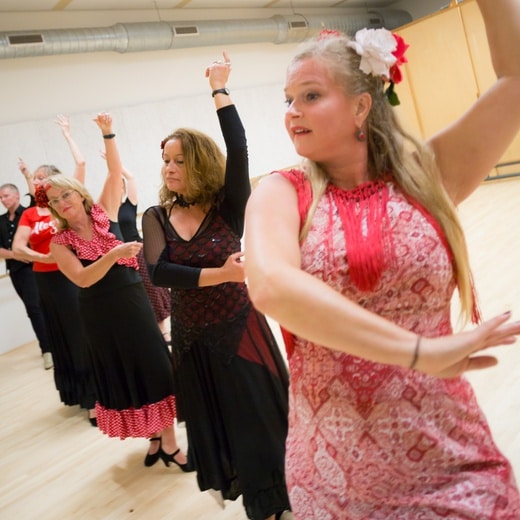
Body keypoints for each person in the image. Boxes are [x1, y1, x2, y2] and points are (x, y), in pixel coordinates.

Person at [243, 1, 520, 518]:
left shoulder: (427, 174)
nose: (292, 111)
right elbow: (271, 286)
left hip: (449, 448)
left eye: (310, 95)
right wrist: (418, 351)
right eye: (288, 99)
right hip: (336, 470)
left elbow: (516, 80)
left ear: (361, 107)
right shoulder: (282, 192)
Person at [142, 54, 291, 520]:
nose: (169, 168)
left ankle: (282, 494)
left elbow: (239, 147)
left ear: (200, 164)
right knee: (221, 423)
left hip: (240, 328)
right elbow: (160, 272)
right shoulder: (156, 217)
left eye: (179, 161)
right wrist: (220, 274)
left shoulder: (229, 205)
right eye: (165, 160)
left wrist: (219, 90)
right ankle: (258, 504)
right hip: (191, 339)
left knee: (260, 417)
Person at [46, 112, 189, 469]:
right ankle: (155, 438)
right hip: (99, 313)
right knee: (127, 372)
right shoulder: (59, 243)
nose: (63, 203)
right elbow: (82, 279)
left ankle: (168, 442)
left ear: (79, 196)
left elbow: (114, 172)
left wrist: (109, 134)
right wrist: (112, 254)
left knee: (154, 365)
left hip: (132, 303)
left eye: (67, 195)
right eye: (55, 200)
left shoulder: (104, 214)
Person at [13, 117, 97, 425]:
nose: (34, 182)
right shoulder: (31, 213)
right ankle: (77, 392)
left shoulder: (65, 207)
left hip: (71, 278)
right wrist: (48, 258)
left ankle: (94, 397)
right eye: (32, 179)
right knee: (63, 336)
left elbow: (82, 164)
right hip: (46, 281)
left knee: (81, 334)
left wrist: (67, 135)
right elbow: (19, 247)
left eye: (38, 177)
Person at [115, 158, 172, 344]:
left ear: (122, 189)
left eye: (119, 185)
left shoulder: (128, 206)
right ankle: (150, 333)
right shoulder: (103, 212)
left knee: (153, 289)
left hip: (139, 251)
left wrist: (114, 164)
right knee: (136, 294)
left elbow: (130, 178)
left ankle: (164, 331)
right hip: (121, 257)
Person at [0, 179, 52, 369]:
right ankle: (46, 347)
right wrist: (16, 252)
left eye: (6, 196)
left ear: (16, 195)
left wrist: (27, 175)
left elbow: (37, 196)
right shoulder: (1, 221)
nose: (3, 200)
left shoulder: (28, 213)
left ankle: (50, 348)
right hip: (16, 270)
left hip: (35, 266)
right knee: (32, 310)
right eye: (1, 197)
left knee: (37, 307)